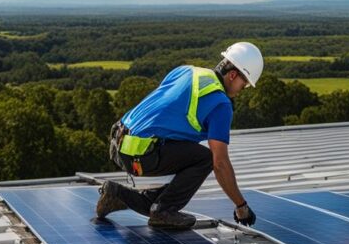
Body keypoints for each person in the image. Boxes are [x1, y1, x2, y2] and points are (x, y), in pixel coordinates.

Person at [96, 42, 262, 229]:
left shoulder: (187, 71)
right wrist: (241, 205)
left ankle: (118, 194)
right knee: (206, 159)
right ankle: (164, 212)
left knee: (169, 186)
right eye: (245, 84)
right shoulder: (221, 104)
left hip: (119, 142)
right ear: (233, 75)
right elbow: (220, 163)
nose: (242, 89)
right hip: (141, 152)